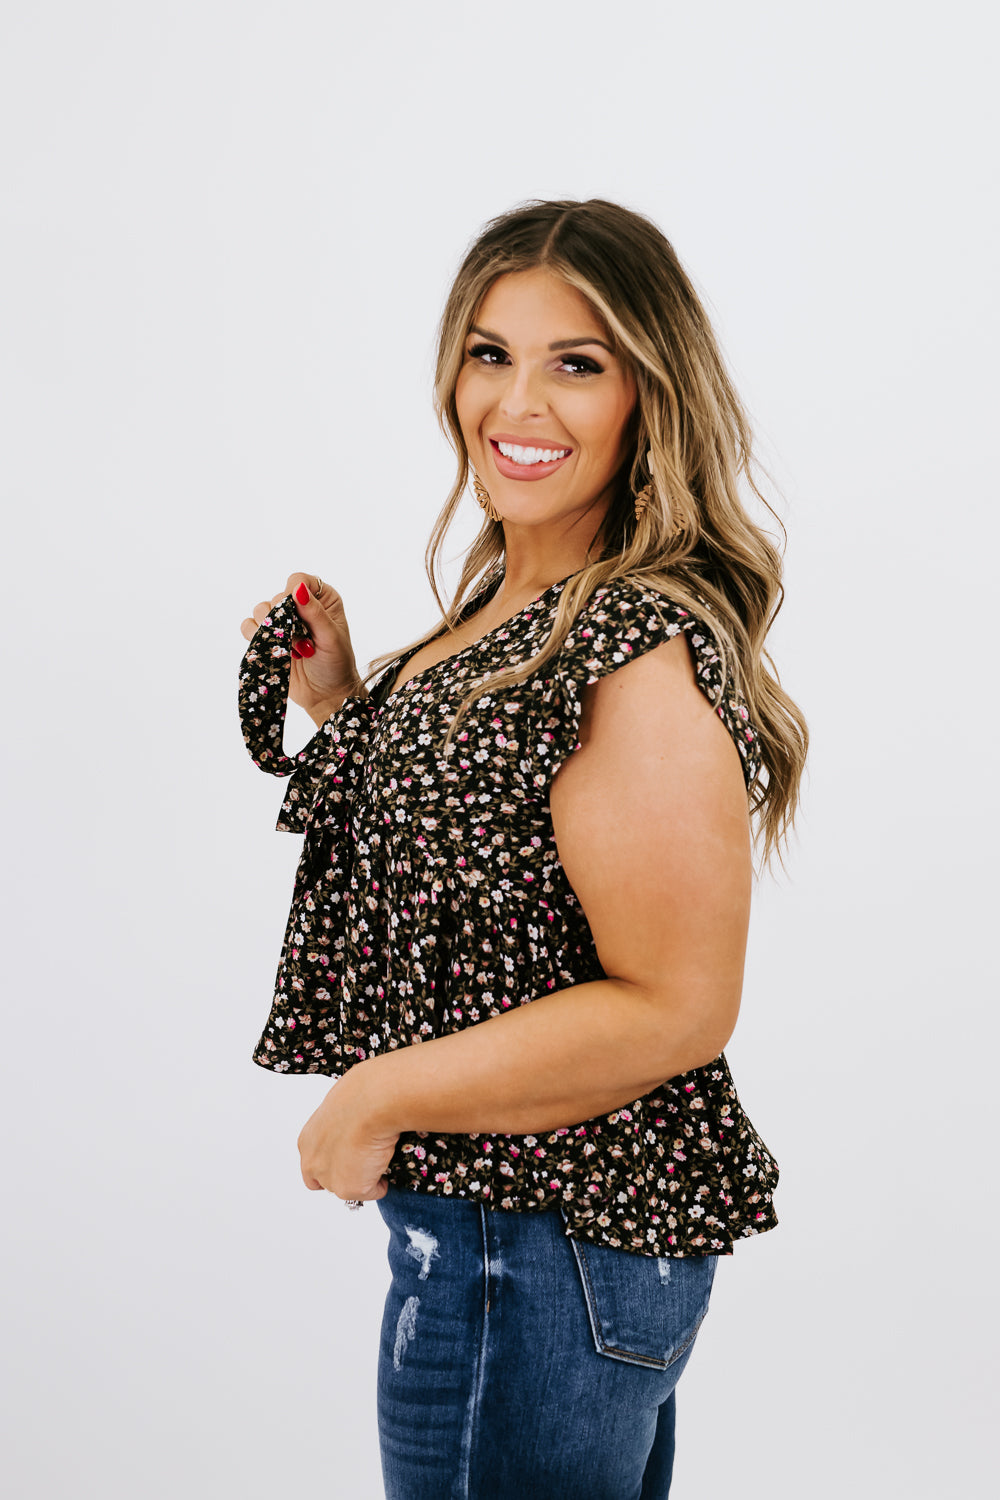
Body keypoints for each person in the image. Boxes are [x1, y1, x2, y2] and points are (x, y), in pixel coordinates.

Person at [238, 198, 807, 1499]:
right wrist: (347, 704)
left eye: (577, 363)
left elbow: (677, 1004)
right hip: (523, 1247)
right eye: (491, 353)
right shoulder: (514, 601)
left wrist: (374, 1095)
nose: (519, 402)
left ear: (651, 393)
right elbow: (498, 859)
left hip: (538, 1250)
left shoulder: (629, 645)